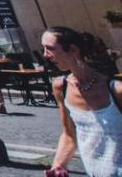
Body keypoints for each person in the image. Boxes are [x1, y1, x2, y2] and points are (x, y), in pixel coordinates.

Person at [43, 26, 122, 177]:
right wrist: (58, 165)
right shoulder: (62, 87)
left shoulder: (115, 90)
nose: (45, 55)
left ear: (73, 50)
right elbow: (69, 134)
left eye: (50, 48)